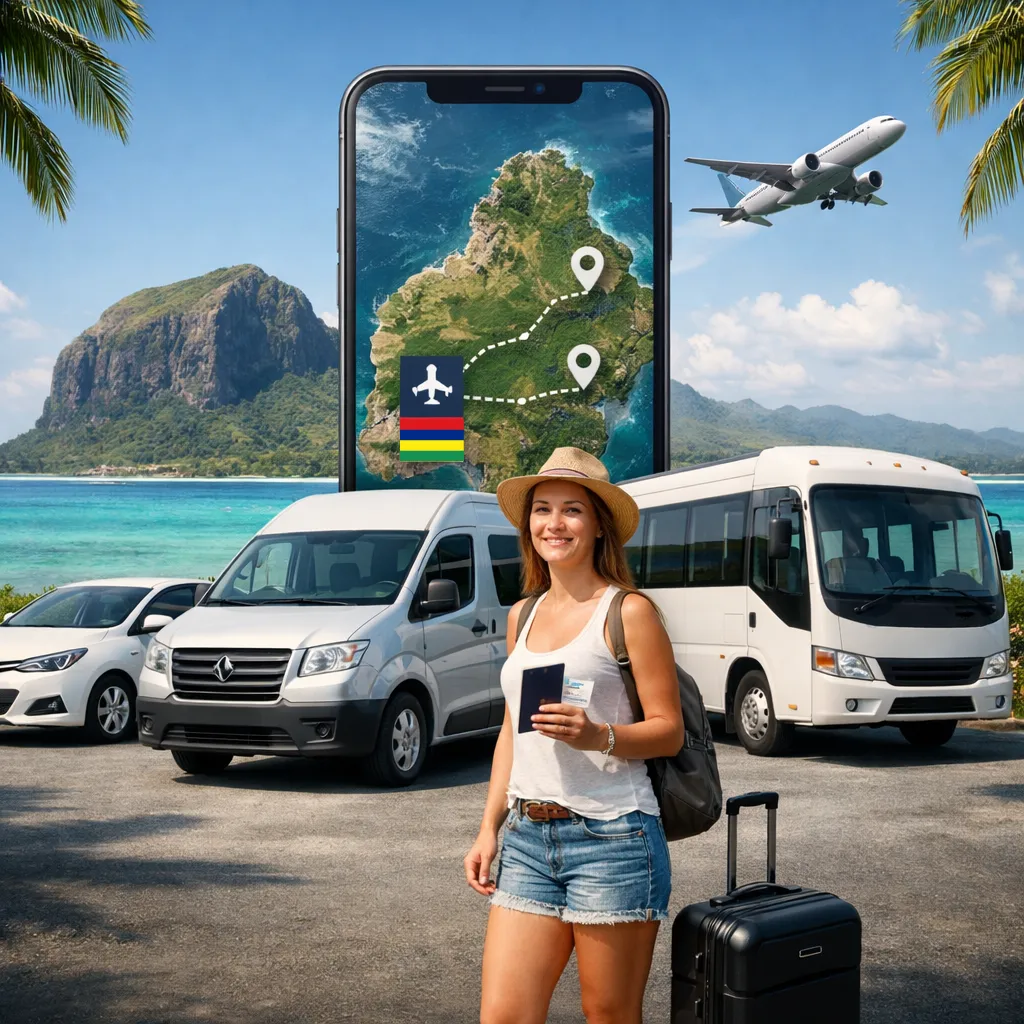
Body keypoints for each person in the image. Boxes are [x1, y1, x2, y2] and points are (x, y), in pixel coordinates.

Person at [464, 447, 684, 1024]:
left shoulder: (628, 612)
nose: (554, 524)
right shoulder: (524, 614)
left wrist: (598, 736)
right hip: (529, 839)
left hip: (614, 838)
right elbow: (516, 731)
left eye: (572, 511)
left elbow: (669, 733)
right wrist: (489, 828)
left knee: (608, 1015)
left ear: (597, 526)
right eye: (542, 510)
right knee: (504, 1016)